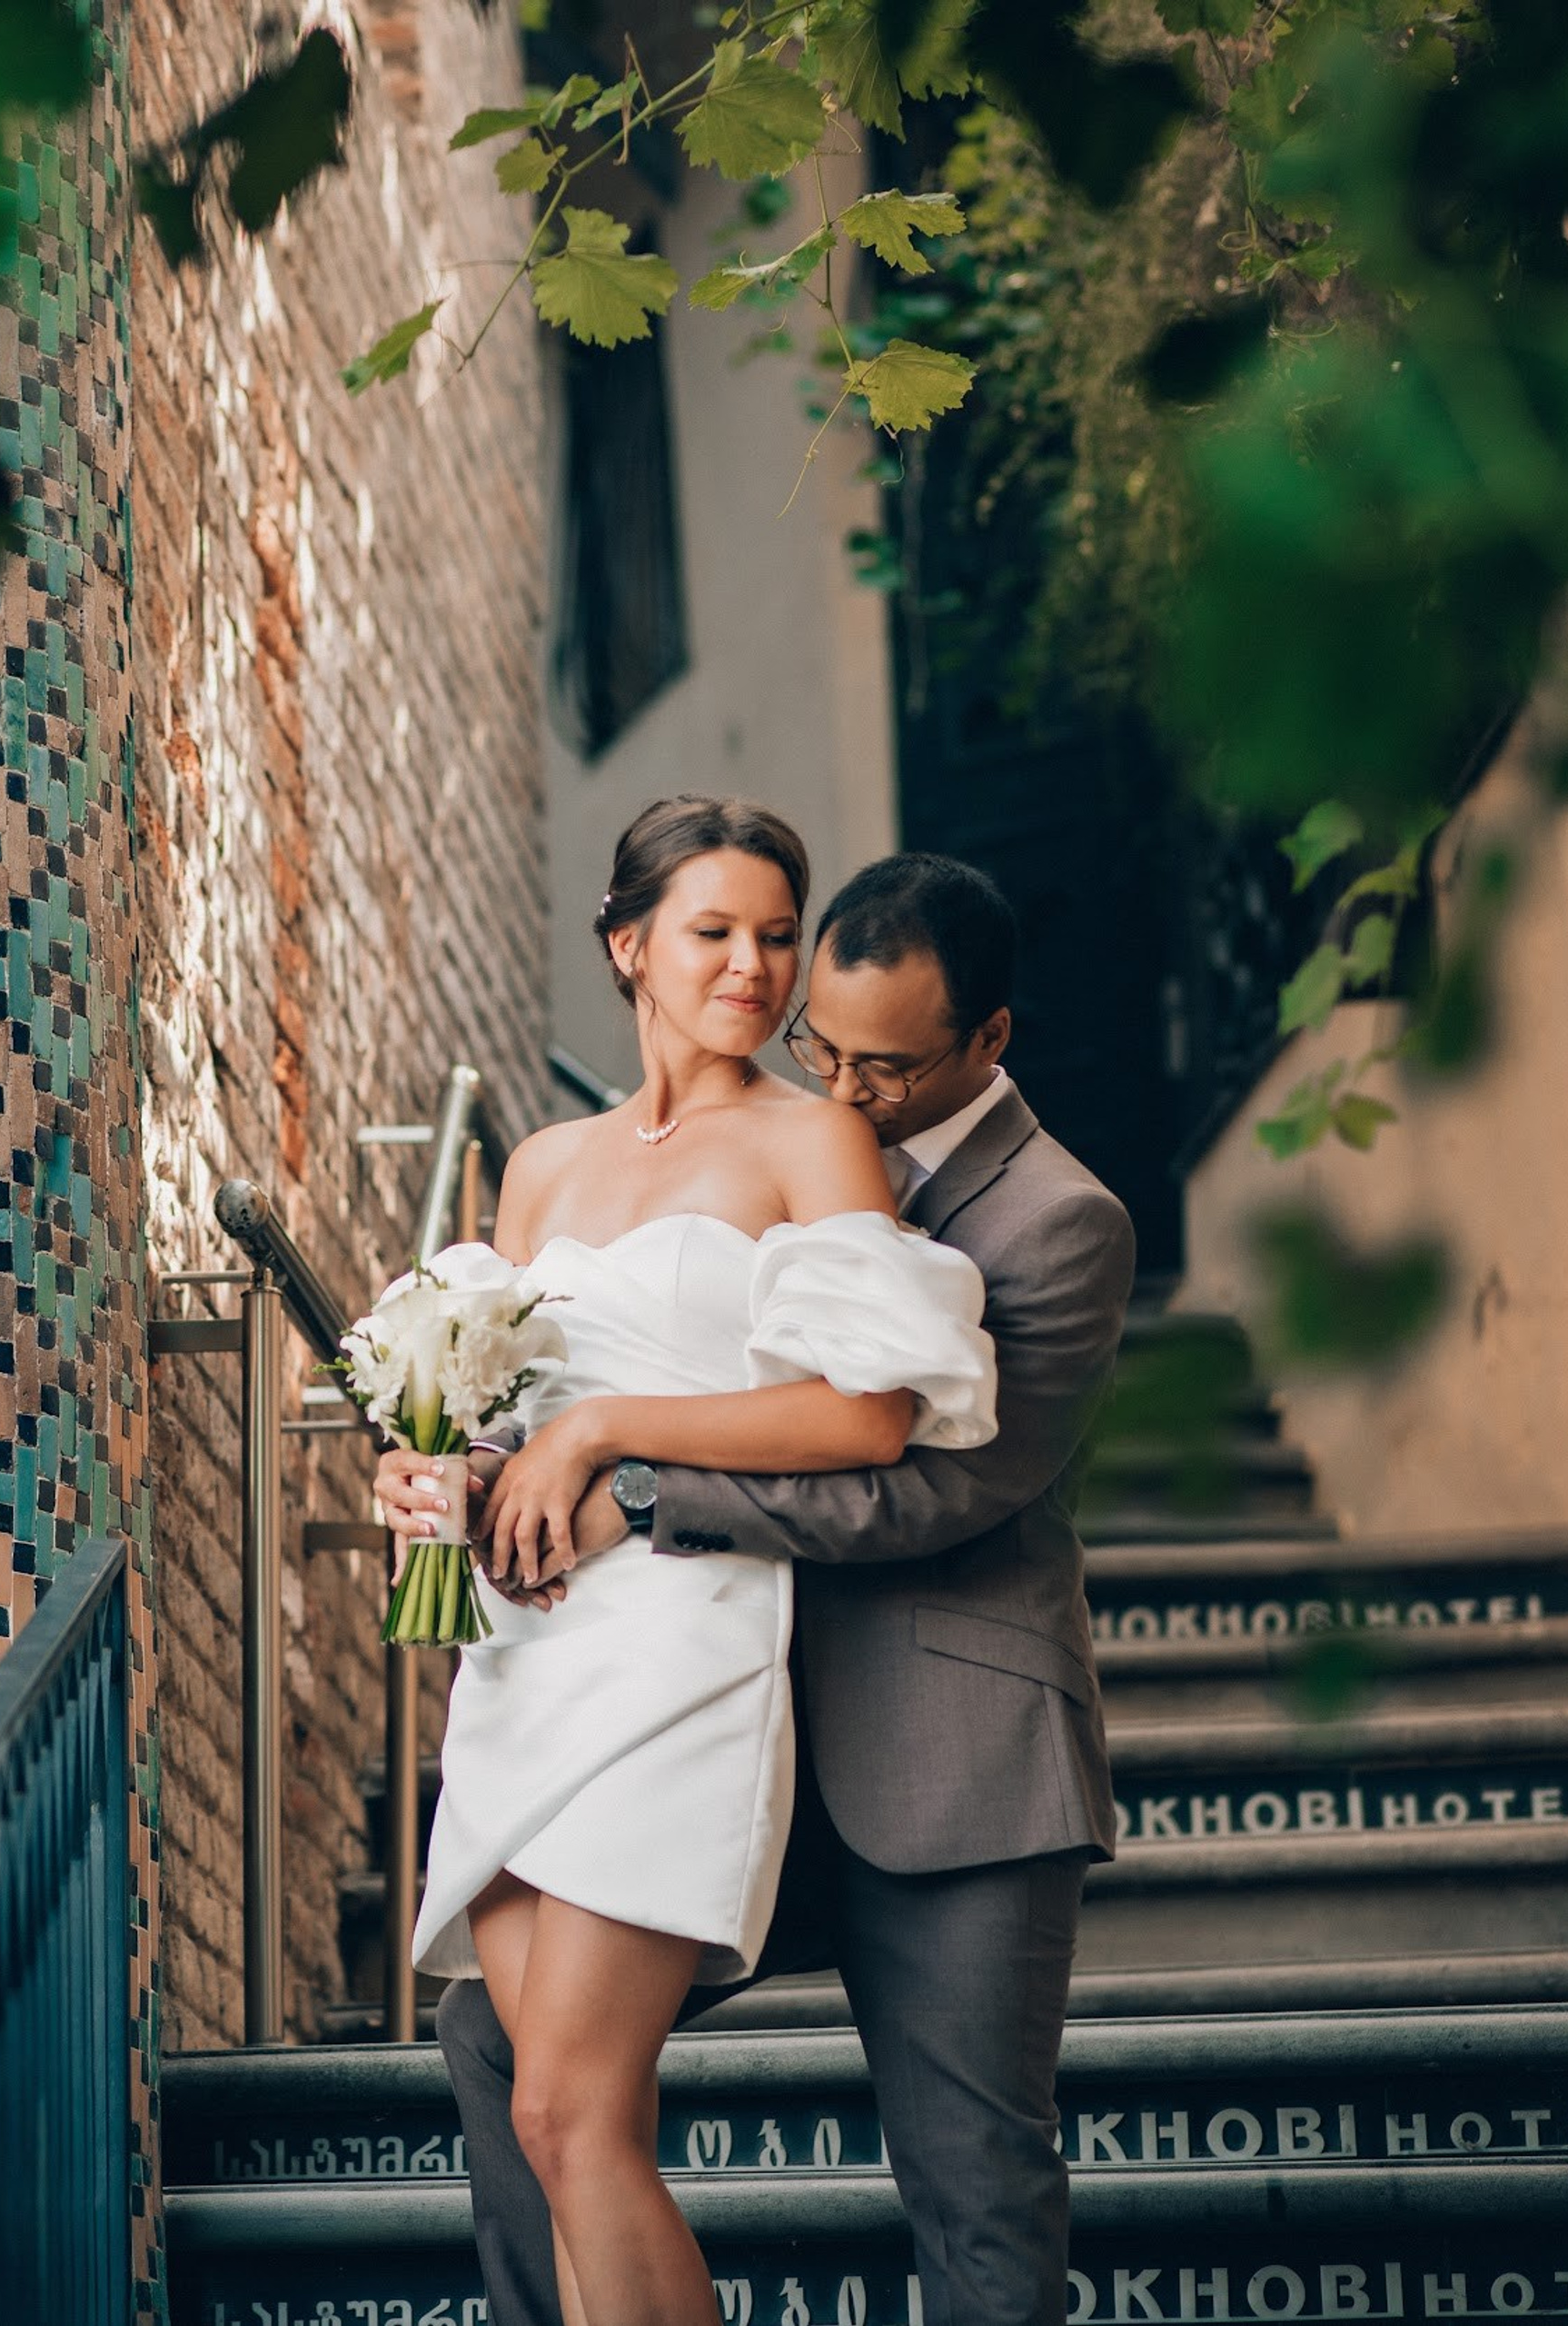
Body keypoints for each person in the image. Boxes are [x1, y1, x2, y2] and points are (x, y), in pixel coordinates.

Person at [380, 848, 1134, 2326]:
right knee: (501, 2053)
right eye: (824, 1052)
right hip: (721, 1719)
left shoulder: (1062, 1222)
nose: (850, 1093)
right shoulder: (723, 1144)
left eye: (892, 1069)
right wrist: (471, 1475)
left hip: (942, 1772)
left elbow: (924, 1487)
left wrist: (641, 1493)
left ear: (987, 1041)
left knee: (973, 2184)